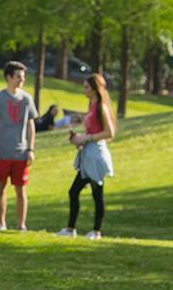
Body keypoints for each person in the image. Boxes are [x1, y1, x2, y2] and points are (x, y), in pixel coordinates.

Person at [56, 73, 116, 240]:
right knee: (73, 192)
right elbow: (92, 131)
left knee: (96, 193)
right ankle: (70, 229)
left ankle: (96, 231)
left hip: (96, 154)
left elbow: (109, 133)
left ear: (95, 89)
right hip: (88, 153)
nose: (84, 90)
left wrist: (86, 138)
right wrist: (78, 138)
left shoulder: (101, 107)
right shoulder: (92, 105)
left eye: (87, 87)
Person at [0, 61, 39, 231]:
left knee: (21, 190)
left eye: (23, 77)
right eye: (19, 77)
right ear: (9, 77)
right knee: (0, 188)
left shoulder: (26, 98)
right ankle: (2, 223)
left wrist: (30, 149)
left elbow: (31, 125)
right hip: (1, 152)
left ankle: (21, 225)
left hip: (21, 153)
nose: (22, 80)